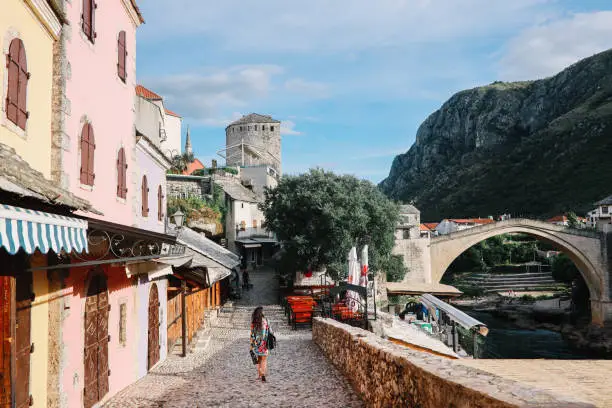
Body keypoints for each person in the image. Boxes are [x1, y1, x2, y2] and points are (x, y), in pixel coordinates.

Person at [250, 306, 270, 382]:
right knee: (264, 360)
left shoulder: (253, 323)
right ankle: (263, 373)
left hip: (257, 344)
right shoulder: (265, 321)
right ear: (261, 313)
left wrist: (251, 345)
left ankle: (260, 374)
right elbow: (268, 332)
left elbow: (252, 335)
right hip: (264, 344)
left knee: (259, 360)